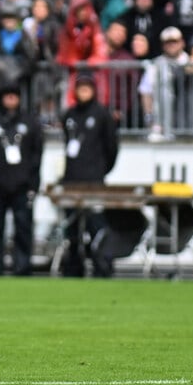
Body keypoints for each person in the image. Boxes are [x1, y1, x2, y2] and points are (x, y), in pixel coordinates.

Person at [0, 84, 44, 276]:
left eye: (14, 95)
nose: (11, 99)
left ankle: (22, 267)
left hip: (22, 184)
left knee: (23, 228)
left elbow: (37, 154)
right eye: (7, 95)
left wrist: (32, 180)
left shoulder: (30, 122)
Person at [60, 72, 119, 278]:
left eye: (87, 87)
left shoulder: (102, 115)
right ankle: (73, 267)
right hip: (71, 180)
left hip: (94, 180)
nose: (84, 91)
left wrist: (100, 170)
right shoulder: (69, 115)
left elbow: (112, 148)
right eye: (80, 87)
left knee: (96, 225)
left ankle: (102, 266)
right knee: (72, 226)